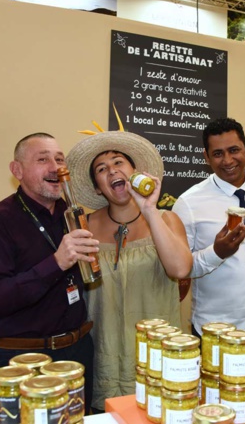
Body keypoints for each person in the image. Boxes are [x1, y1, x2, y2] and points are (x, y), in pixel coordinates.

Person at [0, 132, 97, 413]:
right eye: (43, 159)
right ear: (17, 170)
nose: (55, 167)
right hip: (24, 360)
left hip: (78, 353)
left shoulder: (75, 214)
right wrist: (56, 262)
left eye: (59, 159)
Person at [66, 131, 192, 408]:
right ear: (98, 187)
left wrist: (149, 210)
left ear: (135, 172)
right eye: (102, 169)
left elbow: (181, 269)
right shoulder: (83, 226)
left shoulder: (167, 219)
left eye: (118, 162)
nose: (112, 170)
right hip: (103, 354)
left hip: (157, 353)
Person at [172, 117, 245, 373]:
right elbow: (180, 269)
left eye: (234, 150)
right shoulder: (188, 204)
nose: (227, 160)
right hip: (216, 335)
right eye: (218, 153)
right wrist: (217, 253)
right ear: (206, 156)